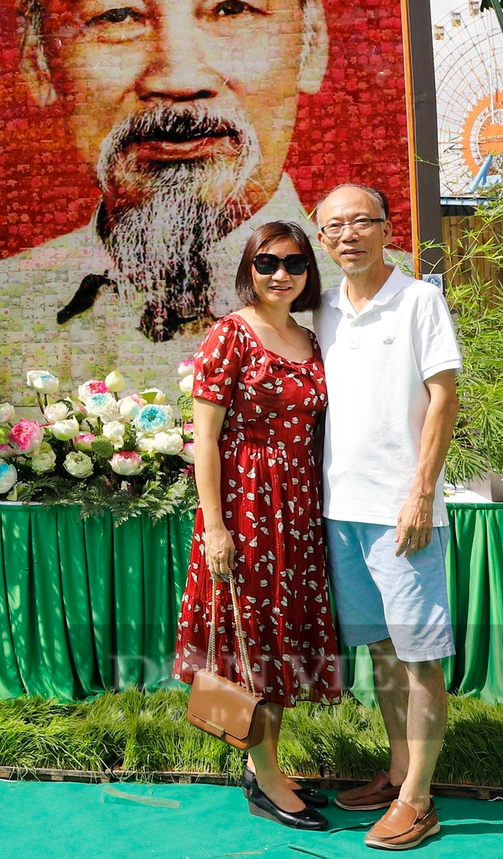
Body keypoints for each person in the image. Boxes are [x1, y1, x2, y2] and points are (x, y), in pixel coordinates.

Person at [0, 0, 335, 405]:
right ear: (39, 60)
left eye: (233, 7)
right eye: (118, 16)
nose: (177, 77)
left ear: (311, 42)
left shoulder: (380, 304)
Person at [173, 222, 343, 833]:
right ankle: (265, 774)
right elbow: (206, 439)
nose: (281, 274)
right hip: (246, 508)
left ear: (307, 273)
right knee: (254, 637)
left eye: (294, 264)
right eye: (267, 262)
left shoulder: (309, 335)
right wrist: (214, 525)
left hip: (296, 507)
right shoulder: (231, 335)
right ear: (248, 267)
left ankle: (264, 760)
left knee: (281, 633)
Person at [313, 184, 462, 852]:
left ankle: (419, 799)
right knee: (379, 650)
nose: (349, 234)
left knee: (421, 657)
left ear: (385, 227)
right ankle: (398, 768)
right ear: (323, 238)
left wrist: (422, 491)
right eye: (334, 225)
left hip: (403, 514)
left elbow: (444, 397)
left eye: (361, 221)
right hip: (340, 510)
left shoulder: (419, 300)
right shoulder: (322, 310)